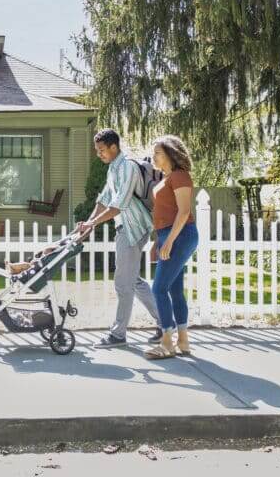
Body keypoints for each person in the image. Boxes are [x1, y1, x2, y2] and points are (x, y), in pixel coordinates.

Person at [77, 129, 161, 348]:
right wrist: (88, 223)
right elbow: (104, 199)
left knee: (123, 283)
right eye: (97, 151)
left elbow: (118, 206)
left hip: (134, 228)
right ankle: (165, 322)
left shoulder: (128, 167)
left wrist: (92, 224)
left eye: (102, 150)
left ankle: (118, 335)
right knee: (132, 281)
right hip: (126, 227)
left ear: (114, 147)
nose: (99, 155)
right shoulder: (113, 169)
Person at [144, 135, 198, 360]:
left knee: (158, 288)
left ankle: (167, 342)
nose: (153, 156)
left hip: (181, 235)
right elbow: (166, 214)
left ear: (170, 154)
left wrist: (169, 240)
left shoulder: (180, 176)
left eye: (157, 152)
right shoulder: (166, 179)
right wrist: (160, 240)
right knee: (174, 289)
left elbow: (184, 212)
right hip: (170, 234)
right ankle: (183, 341)